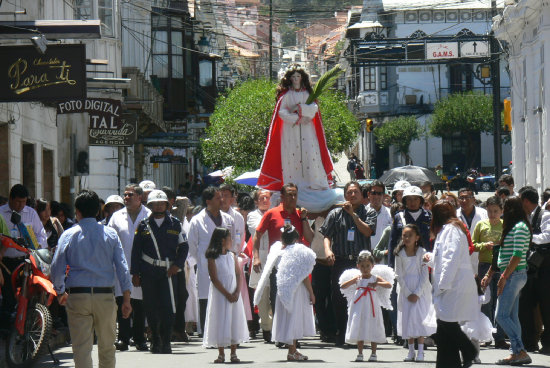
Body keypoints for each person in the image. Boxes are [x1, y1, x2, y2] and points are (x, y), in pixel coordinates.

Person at [50, 190, 132, 368]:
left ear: (77, 211)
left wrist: (60, 291)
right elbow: (122, 268)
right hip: (105, 297)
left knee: (81, 349)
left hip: (78, 296)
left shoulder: (68, 235)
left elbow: (57, 268)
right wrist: (126, 298)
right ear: (98, 211)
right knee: (107, 348)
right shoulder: (110, 235)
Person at [257, 64, 337, 212]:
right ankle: (293, 185)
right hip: (290, 132)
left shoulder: (307, 93)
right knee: (290, 157)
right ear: (289, 79)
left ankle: (313, 183)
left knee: (311, 154)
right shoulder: (286, 95)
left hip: (307, 130)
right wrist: (296, 117)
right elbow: (281, 113)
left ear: (302, 78)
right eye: (293, 77)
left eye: (298, 77)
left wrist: (301, 110)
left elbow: (314, 108)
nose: (295, 80)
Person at [319, 181, 377, 346]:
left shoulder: (369, 212)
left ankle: (360, 334)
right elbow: (326, 235)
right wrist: (327, 250)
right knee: (339, 297)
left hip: (362, 264)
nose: (352, 195)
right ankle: (342, 332)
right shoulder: (335, 213)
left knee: (361, 297)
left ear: (361, 194)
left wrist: (353, 215)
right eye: (349, 192)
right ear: (345, 195)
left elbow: (367, 231)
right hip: (341, 261)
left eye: (356, 192)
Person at [131, 190, 188, 354]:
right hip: (148, 272)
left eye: (161, 203)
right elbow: (136, 251)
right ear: (150, 206)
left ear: (167, 205)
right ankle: (155, 339)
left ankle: (166, 341)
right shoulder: (143, 225)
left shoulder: (175, 224)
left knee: (168, 307)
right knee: (151, 307)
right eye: (155, 204)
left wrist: (177, 265)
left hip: (168, 272)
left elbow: (184, 247)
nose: (158, 206)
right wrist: (135, 273)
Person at [425, 200, 478, 368]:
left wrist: (443, 284)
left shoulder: (451, 230)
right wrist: (430, 259)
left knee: (446, 323)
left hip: (452, 285)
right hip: (451, 284)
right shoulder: (449, 230)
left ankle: (468, 350)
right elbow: (442, 259)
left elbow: (451, 258)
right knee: (443, 327)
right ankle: (448, 363)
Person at [253, 225, 316, 361]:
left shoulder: (277, 250)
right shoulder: (300, 251)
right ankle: (292, 351)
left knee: (289, 318)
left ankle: (293, 349)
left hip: (282, 289)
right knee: (294, 318)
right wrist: (311, 292)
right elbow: (304, 274)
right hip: (296, 290)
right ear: (296, 238)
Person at [483, 197, 532, 365]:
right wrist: (494, 273)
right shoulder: (513, 227)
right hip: (512, 275)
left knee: (501, 316)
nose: (502, 211)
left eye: (504, 207)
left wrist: (503, 277)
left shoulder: (519, 227)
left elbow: (517, 255)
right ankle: (517, 352)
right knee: (511, 316)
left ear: (511, 209)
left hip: (513, 275)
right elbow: (502, 254)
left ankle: (520, 350)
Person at [108, 184, 150, 351]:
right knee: (122, 303)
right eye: (124, 195)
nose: (126, 198)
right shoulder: (116, 217)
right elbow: (110, 240)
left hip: (143, 266)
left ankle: (140, 339)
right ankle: (123, 339)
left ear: (139, 197)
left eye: (130, 195)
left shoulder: (149, 215)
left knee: (139, 305)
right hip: (121, 266)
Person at [188, 186, 235, 334]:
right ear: (208, 201)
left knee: (225, 296)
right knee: (205, 298)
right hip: (205, 265)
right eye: (217, 197)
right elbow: (192, 246)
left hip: (226, 264)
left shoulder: (228, 219)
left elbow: (232, 240)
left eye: (222, 196)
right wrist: (202, 260)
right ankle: (207, 332)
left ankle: (226, 331)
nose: (221, 200)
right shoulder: (197, 221)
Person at [0, 184, 47, 330]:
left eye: (24, 202)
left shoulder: (31, 213)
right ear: (10, 199)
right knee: (8, 295)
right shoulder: (1, 213)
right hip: (6, 262)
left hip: (26, 261)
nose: (21, 205)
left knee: (26, 294)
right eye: (18, 202)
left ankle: (25, 328)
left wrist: (37, 246)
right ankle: (8, 330)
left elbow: (41, 234)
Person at [202, 228, 249, 363]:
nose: (231, 241)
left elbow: (238, 274)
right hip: (220, 294)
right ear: (223, 240)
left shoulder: (232, 256)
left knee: (234, 319)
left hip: (233, 292)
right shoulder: (212, 258)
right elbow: (214, 279)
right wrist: (227, 294)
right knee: (220, 319)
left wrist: (236, 292)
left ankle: (233, 352)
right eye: (229, 238)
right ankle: (221, 352)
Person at [339, 251, 393, 362]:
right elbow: (343, 286)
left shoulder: (375, 278)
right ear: (358, 266)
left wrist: (377, 284)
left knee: (373, 325)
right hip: (359, 306)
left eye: (368, 266)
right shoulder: (357, 278)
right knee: (359, 326)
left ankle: (374, 353)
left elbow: (389, 285)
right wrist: (353, 280)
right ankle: (360, 353)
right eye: (362, 266)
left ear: (372, 266)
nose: (365, 268)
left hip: (371, 305)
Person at [394, 224, 436, 362]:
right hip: (406, 289)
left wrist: (417, 292)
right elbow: (399, 275)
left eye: (410, 235)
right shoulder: (399, 254)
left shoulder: (422, 252)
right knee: (408, 319)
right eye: (404, 235)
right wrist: (407, 293)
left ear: (417, 237)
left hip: (420, 290)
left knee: (419, 319)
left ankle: (421, 352)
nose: (406, 238)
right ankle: (411, 351)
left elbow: (425, 275)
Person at [472, 196, 508, 349]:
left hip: (501, 266)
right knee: (486, 301)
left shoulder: (505, 225)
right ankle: (485, 335)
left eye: (496, 211)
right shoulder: (481, 225)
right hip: (485, 265)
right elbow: (472, 245)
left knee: (500, 300)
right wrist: (483, 245)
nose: (492, 214)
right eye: (490, 211)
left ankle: (499, 336)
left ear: (501, 211)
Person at [518, 186, 550, 354]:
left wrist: (528, 238)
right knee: (526, 305)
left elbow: (548, 236)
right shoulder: (523, 217)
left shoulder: (545, 215)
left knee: (546, 305)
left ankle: (548, 343)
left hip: (544, 268)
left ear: (525, 201)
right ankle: (529, 342)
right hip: (529, 268)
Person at [247, 189, 273, 342]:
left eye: (267, 197)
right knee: (263, 296)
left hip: (273, 255)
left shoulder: (274, 213)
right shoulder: (252, 216)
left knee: (274, 294)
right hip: (261, 256)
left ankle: (274, 325)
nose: (265, 200)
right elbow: (259, 230)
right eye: (261, 198)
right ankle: (266, 327)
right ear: (256, 201)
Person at [461, 278, 495, 364]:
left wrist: (487, 288)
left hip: (476, 321)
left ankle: (476, 356)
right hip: (465, 320)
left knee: (475, 339)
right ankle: (464, 357)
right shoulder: (462, 296)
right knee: (464, 339)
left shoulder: (478, 297)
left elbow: (486, 299)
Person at [366, 181, 392, 252]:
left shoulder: (390, 214)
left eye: (379, 193)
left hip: (384, 255)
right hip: (366, 256)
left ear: (383, 195)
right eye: (373, 193)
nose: (376, 196)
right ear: (368, 194)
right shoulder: (362, 213)